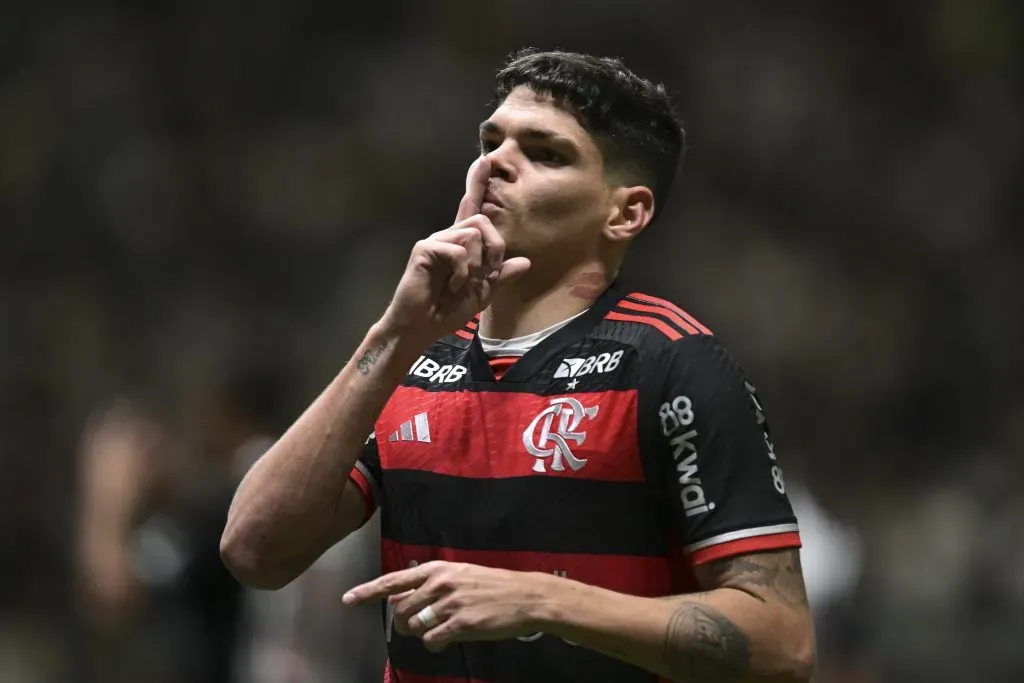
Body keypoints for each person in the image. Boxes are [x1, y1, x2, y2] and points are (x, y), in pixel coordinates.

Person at [221, 48, 816, 683]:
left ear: (626, 213)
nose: (495, 163)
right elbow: (255, 551)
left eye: (545, 153)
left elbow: (782, 643)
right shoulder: (416, 361)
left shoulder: (671, 363)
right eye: (491, 140)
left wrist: (541, 599)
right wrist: (395, 335)